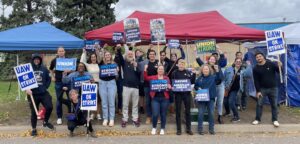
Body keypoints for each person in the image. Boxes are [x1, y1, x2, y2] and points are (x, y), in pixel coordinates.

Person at [26, 54, 54, 136]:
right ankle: (34, 128)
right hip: (33, 94)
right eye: (35, 59)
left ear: (40, 60)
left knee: (49, 106)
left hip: (43, 93)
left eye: (38, 59)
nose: (37, 60)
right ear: (33, 60)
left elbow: (49, 78)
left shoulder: (44, 69)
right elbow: (22, 80)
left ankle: (45, 121)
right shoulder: (29, 69)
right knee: (34, 112)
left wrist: (45, 87)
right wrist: (26, 89)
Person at [252, 52, 282, 127]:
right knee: (259, 104)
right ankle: (257, 119)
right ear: (256, 59)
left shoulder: (270, 63)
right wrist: (258, 91)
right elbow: (256, 81)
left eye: (260, 56)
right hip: (262, 89)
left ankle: (275, 120)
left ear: (263, 56)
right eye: (257, 57)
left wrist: (280, 66)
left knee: (274, 105)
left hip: (273, 88)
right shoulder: (255, 68)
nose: (259, 58)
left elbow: (279, 71)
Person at [115, 46, 140, 128]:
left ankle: (135, 119)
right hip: (126, 87)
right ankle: (125, 119)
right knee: (125, 104)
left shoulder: (136, 63)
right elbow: (120, 58)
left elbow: (139, 74)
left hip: (135, 87)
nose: (130, 55)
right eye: (128, 54)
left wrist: (136, 66)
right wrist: (118, 49)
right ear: (126, 56)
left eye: (131, 54)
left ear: (133, 56)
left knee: (135, 105)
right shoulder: (124, 63)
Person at [195, 55, 225, 124]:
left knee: (220, 102)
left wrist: (217, 70)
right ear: (209, 60)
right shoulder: (206, 67)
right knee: (213, 103)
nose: (212, 60)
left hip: (219, 86)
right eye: (211, 59)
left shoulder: (218, 66)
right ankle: (211, 118)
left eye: (213, 59)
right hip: (212, 87)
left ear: (215, 61)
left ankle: (220, 116)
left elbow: (220, 78)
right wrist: (196, 53)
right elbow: (199, 61)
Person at [194, 64, 222, 135]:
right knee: (200, 113)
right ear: (202, 70)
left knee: (211, 113)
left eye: (207, 69)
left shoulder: (213, 77)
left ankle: (211, 129)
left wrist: (217, 71)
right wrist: (198, 88)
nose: (205, 70)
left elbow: (219, 79)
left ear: (209, 70)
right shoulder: (199, 78)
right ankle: (200, 129)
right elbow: (195, 86)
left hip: (211, 98)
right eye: (204, 69)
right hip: (202, 98)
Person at [144, 65, 171, 135]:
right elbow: (146, 78)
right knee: (155, 114)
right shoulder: (153, 77)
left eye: (162, 69)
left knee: (163, 114)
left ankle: (162, 128)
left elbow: (169, 88)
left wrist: (169, 87)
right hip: (155, 99)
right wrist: (145, 70)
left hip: (164, 99)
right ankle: (154, 127)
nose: (161, 70)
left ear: (164, 71)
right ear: (157, 70)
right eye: (159, 69)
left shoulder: (167, 78)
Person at [223, 58, 252, 122]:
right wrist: (224, 86)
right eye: (237, 61)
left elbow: (249, 75)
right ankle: (228, 112)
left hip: (235, 89)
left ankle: (237, 116)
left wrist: (249, 65)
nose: (238, 62)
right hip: (227, 88)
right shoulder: (228, 69)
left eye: (239, 62)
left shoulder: (243, 70)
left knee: (231, 102)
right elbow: (224, 78)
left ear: (241, 63)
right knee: (225, 102)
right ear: (234, 62)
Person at [171, 59, 195, 135]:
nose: (181, 65)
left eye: (183, 64)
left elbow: (192, 82)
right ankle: (179, 129)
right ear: (178, 65)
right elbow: (173, 83)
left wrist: (194, 74)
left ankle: (189, 129)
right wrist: (173, 88)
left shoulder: (188, 72)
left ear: (184, 65)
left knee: (187, 112)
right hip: (178, 95)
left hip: (187, 94)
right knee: (178, 112)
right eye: (180, 64)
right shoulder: (174, 73)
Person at [49, 47, 71, 125]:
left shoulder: (69, 60)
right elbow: (51, 69)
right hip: (58, 82)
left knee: (71, 99)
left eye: (62, 51)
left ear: (64, 52)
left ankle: (71, 116)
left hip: (68, 81)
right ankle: (59, 117)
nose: (61, 52)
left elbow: (74, 69)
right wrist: (52, 76)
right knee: (59, 99)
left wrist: (69, 70)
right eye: (60, 51)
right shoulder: (54, 60)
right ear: (57, 52)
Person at [80, 47, 102, 120]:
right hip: (91, 84)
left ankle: (98, 113)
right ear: (90, 58)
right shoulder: (88, 65)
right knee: (92, 99)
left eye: (94, 57)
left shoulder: (99, 65)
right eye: (92, 57)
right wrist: (84, 52)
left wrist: (97, 50)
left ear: (96, 58)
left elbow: (100, 57)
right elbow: (82, 61)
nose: (93, 58)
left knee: (98, 100)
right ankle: (92, 113)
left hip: (99, 83)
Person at [99, 51, 119, 127]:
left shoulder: (114, 64)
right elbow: (98, 56)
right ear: (104, 56)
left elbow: (117, 77)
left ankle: (111, 119)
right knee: (104, 102)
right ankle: (105, 118)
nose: (107, 56)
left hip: (111, 83)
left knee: (111, 102)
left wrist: (117, 72)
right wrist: (99, 49)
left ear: (111, 56)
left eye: (109, 54)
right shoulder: (101, 63)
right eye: (106, 55)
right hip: (102, 83)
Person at [143, 49, 159, 124]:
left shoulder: (158, 63)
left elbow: (161, 73)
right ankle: (149, 117)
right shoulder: (146, 63)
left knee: (156, 101)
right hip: (147, 85)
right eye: (150, 54)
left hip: (156, 86)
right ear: (148, 56)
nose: (152, 55)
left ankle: (157, 117)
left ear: (155, 55)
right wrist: (145, 69)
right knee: (148, 102)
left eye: (153, 54)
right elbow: (144, 75)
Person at [136, 49, 146, 114]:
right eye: (137, 53)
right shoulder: (135, 60)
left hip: (145, 79)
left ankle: (146, 106)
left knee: (146, 94)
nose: (138, 54)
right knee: (141, 95)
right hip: (139, 80)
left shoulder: (144, 60)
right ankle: (141, 107)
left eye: (139, 52)